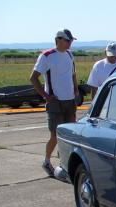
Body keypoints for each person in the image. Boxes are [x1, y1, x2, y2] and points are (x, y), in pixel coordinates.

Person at [30, 29, 78, 177]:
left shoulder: (70, 54)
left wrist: (76, 90)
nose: (70, 43)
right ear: (59, 40)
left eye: (71, 41)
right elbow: (33, 78)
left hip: (70, 100)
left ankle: (64, 161)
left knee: (70, 134)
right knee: (55, 135)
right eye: (68, 41)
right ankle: (46, 161)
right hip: (55, 102)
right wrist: (46, 95)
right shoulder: (46, 56)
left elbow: (73, 74)